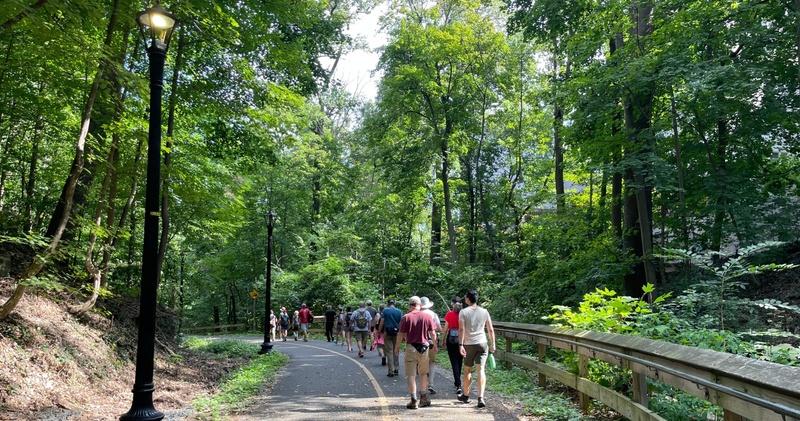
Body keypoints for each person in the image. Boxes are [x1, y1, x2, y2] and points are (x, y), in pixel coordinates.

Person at [395, 296, 437, 409]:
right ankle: (423, 397)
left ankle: (414, 400)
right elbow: (433, 333)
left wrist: (397, 346)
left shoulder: (406, 317)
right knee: (423, 373)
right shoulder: (427, 316)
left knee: (411, 374)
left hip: (410, 348)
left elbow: (400, 334)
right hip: (423, 348)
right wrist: (435, 345)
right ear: (420, 305)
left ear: (410, 305)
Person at [458, 289, 496, 408]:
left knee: (467, 369)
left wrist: (461, 345)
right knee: (481, 370)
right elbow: (490, 329)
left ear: (468, 299)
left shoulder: (463, 312)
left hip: (469, 344)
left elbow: (461, 329)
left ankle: (466, 395)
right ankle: (481, 398)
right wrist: (493, 343)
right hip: (482, 343)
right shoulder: (484, 312)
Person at [419, 297, 442, 394]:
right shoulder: (433, 314)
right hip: (431, 341)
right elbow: (439, 329)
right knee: (432, 363)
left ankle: (422, 386)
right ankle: (431, 384)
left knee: (421, 363)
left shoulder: (417, 314)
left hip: (420, 342)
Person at [442, 297, 463, 395]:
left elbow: (445, 329)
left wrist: (442, 340)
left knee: (454, 361)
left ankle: (457, 383)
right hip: (461, 339)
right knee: (460, 361)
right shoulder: (463, 314)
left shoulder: (449, 314)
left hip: (451, 340)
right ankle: (458, 381)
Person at [379, 298, 402, 377]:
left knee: (389, 351)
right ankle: (396, 368)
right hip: (397, 332)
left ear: (388, 303)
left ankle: (390, 371)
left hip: (387, 332)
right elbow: (401, 323)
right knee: (396, 349)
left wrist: (379, 331)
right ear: (394, 303)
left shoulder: (385, 311)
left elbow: (382, 322)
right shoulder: (399, 311)